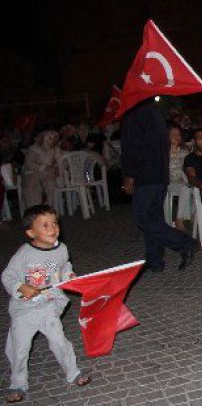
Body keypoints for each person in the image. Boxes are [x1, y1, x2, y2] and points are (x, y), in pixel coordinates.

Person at [2, 205, 91, 403]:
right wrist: (20, 287)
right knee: (19, 348)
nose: (52, 228)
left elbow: (64, 265)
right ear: (31, 232)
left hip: (48, 306)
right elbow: (7, 275)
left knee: (60, 341)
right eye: (44, 225)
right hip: (25, 310)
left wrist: (68, 275)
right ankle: (18, 384)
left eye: (55, 223)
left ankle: (73, 372)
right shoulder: (24, 253)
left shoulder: (61, 249)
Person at [122, 102, 200, 273]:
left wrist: (130, 174)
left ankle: (186, 243)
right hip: (158, 174)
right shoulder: (153, 111)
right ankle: (154, 258)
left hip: (145, 175)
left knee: (143, 218)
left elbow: (136, 147)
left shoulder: (136, 113)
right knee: (153, 218)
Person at [21, 130, 62, 210]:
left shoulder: (56, 150)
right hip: (32, 173)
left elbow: (61, 162)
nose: (52, 140)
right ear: (42, 139)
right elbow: (28, 164)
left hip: (48, 174)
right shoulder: (33, 149)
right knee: (32, 186)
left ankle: (48, 208)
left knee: (51, 183)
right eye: (49, 138)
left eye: (53, 138)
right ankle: (34, 211)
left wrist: (57, 167)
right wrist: (43, 167)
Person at [167, 125, 192, 231]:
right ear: (167, 136)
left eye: (179, 135)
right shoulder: (163, 152)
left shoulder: (184, 152)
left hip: (182, 181)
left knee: (192, 187)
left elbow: (189, 167)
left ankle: (191, 213)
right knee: (185, 187)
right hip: (168, 182)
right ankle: (179, 219)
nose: (177, 137)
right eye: (174, 134)